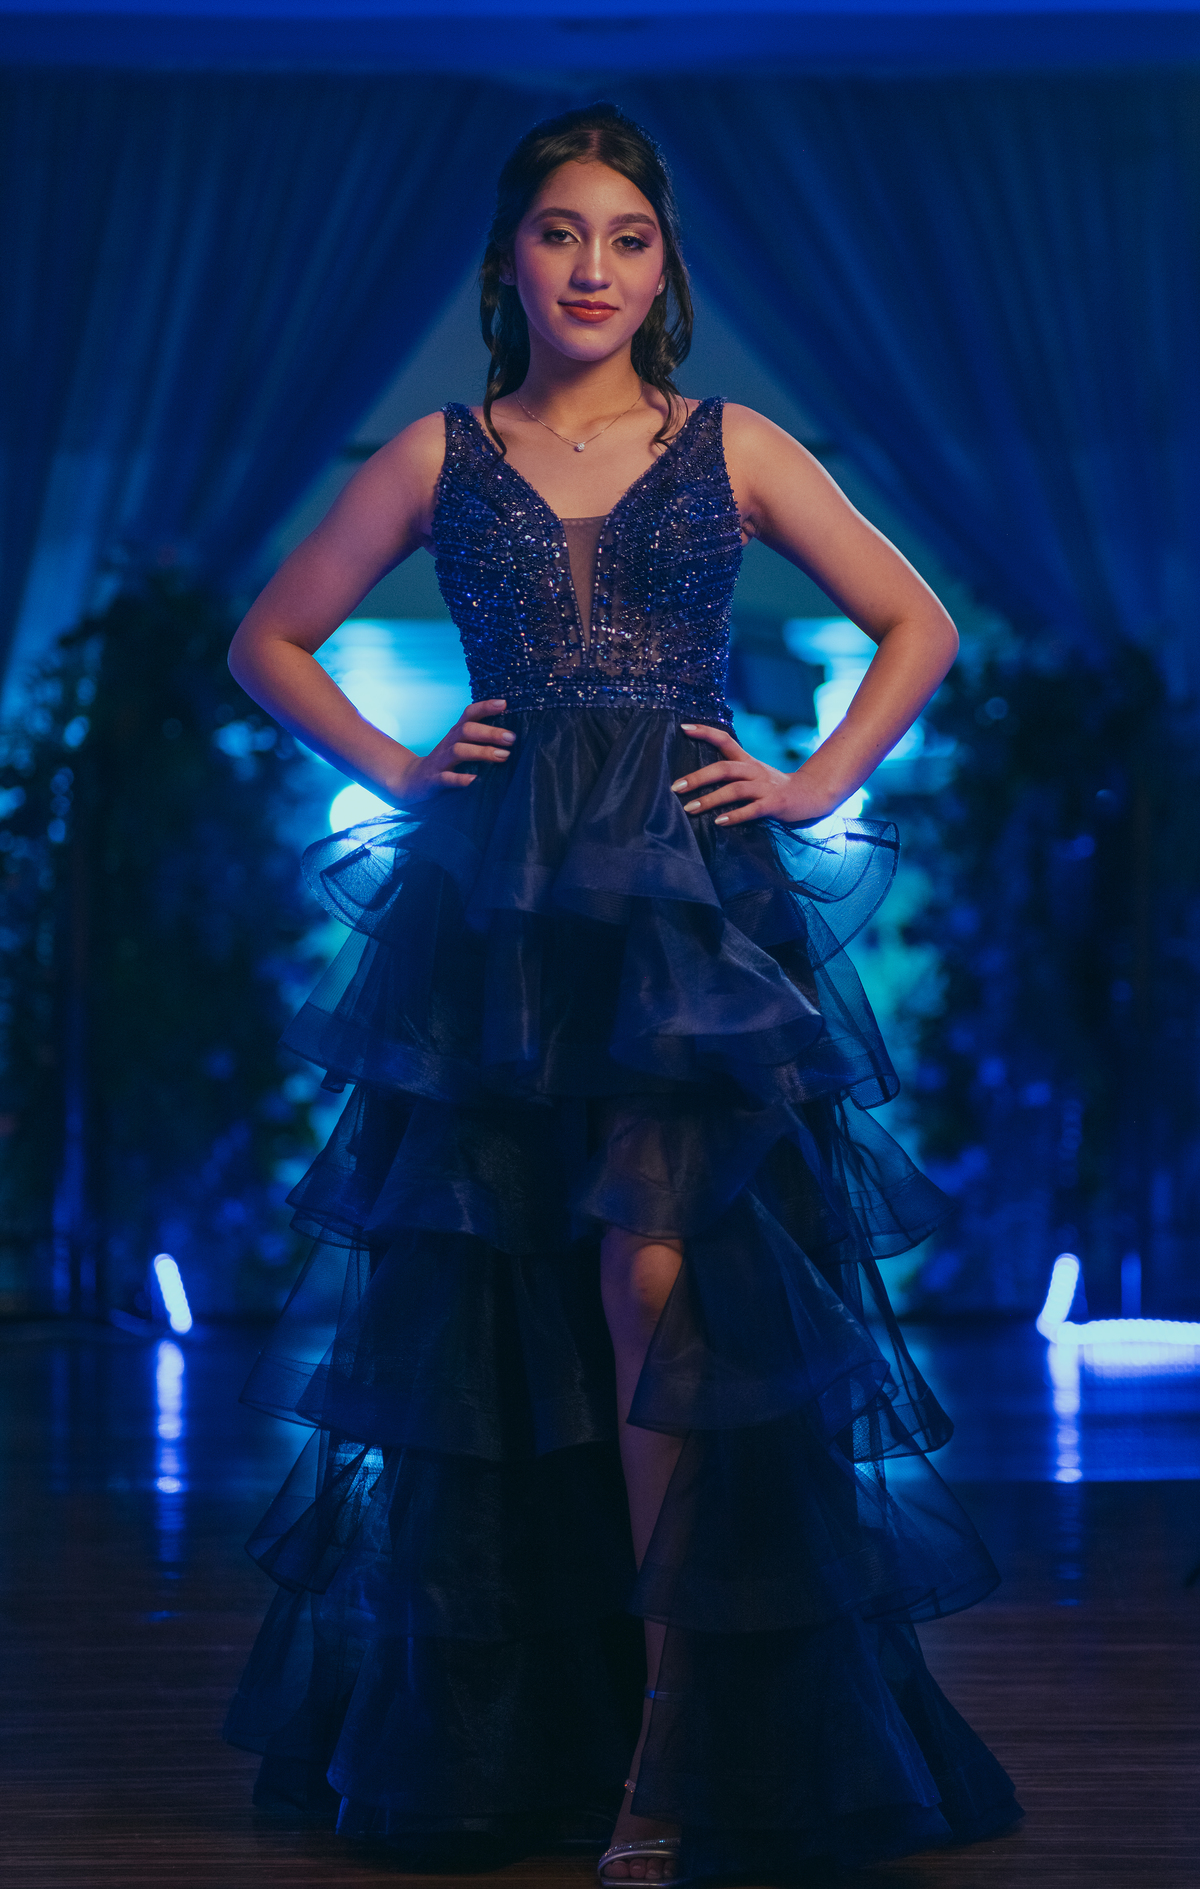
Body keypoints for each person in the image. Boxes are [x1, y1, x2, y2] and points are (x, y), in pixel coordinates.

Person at [223, 103, 1021, 1882]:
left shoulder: (732, 443)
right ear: (509, 259)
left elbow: (923, 622)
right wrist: (402, 763)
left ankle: (670, 1745)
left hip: (682, 910)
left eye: (628, 238)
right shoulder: (439, 454)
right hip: (498, 922)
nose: (594, 267)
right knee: (503, 1316)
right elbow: (264, 637)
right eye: (561, 233)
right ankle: (543, 1728)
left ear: (665, 269)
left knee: (653, 1280)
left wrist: (810, 783)